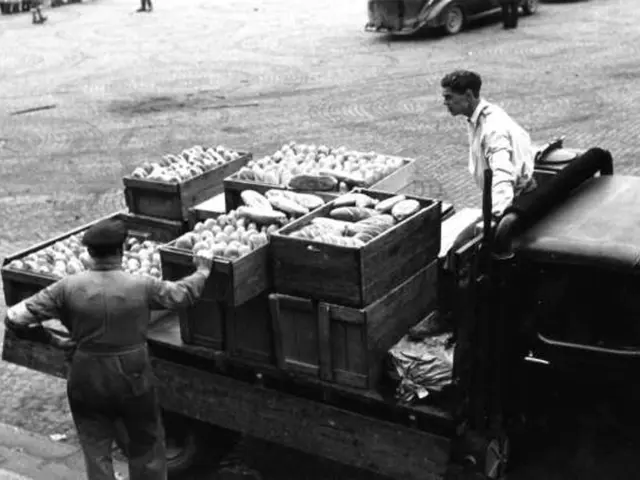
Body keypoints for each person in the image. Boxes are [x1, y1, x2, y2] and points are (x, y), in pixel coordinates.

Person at [4, 218, 214, 480]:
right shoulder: (141, 285)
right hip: (132, 377)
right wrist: (202, 270)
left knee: (96, 449)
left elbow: (14, 317)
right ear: (121, 250)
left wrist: (52, 340)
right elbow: (183, 295)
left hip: (85, 376)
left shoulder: (66, 287)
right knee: (146, 447)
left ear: (89, 253)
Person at [440, 69, 536, 252]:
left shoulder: (492, 128)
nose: (445, 103)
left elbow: (502, 173)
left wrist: (494, 217)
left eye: (449, 97)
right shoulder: (481, 117)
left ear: (468, 95)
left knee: (457, 249)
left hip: (511, 202)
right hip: (507, 197)